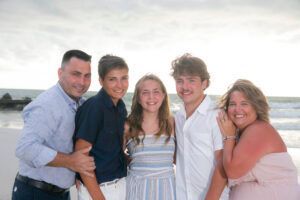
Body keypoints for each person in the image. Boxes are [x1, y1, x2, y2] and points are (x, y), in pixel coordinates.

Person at [12, 49, 96, 200]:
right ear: (60, 73)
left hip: (61, 193)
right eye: (76, 74)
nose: (82, 82)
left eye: (87, 76)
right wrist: (71, 161)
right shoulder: (48, 104)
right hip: (35, 193)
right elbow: (25, 148)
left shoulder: (80, 104)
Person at [217, 79, 300, 200]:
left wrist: (229, 137)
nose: (237, 109)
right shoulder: (245, 132)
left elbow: (232, 172)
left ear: (256, 107)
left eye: (244, 103)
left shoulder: (258, 130)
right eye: (232, 104)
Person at [170, 53, 228, 200]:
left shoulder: (217, 116)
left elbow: (222, 164)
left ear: (204, 83)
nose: (185, 87)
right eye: (180, 81)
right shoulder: (178, 117)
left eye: (191, 80)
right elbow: (179, 157)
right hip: (182, 195)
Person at [74, 54, 129, 200]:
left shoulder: (121, 107)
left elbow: (114, 149)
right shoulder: (94, 107)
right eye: (112, 79)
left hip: (121, 185)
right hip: (99, 191)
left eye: (124, 78)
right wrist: (99, 197)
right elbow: (81, 157)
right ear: (101, 81)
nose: (120, 85)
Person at [124, 74, 176, 200]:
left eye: (156, 92)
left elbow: (178, 158)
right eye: (145, 92)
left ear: (163, 95)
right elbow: (115, 157)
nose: (151, 97)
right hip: (138, 189)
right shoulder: (128, 125)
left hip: (167, 189)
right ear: (138, 98)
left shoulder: (172, 122)